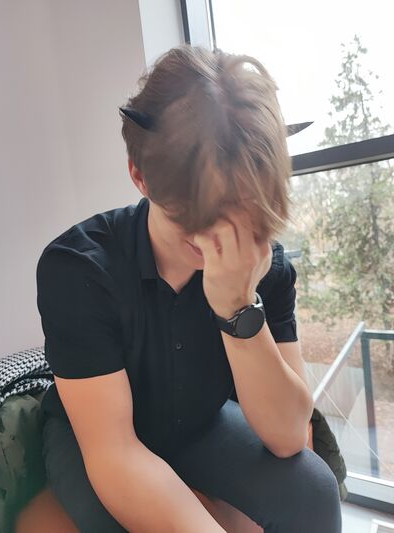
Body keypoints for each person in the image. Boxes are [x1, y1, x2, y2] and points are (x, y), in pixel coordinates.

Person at [37, 44, 342, 532]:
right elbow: (114, 451)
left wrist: (238, 309)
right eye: (197, 213)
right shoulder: (78, 268)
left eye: (242, 208)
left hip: (201, 424)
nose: (220, 234)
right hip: (95, 436)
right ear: (140, 177)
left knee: (314, 491)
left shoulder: (266, 264)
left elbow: (288, 436)